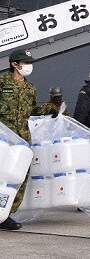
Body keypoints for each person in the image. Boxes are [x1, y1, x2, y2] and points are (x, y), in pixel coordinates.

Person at [0, 49, 55, 231]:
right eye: (25, 62)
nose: (28, 66)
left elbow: (31, 110)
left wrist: (49, 109)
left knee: (19, 176)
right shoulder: (1, 83)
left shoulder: (30, 88)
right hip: (3, 138)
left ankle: (6, 214)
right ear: (14, 64)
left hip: (22, 139)